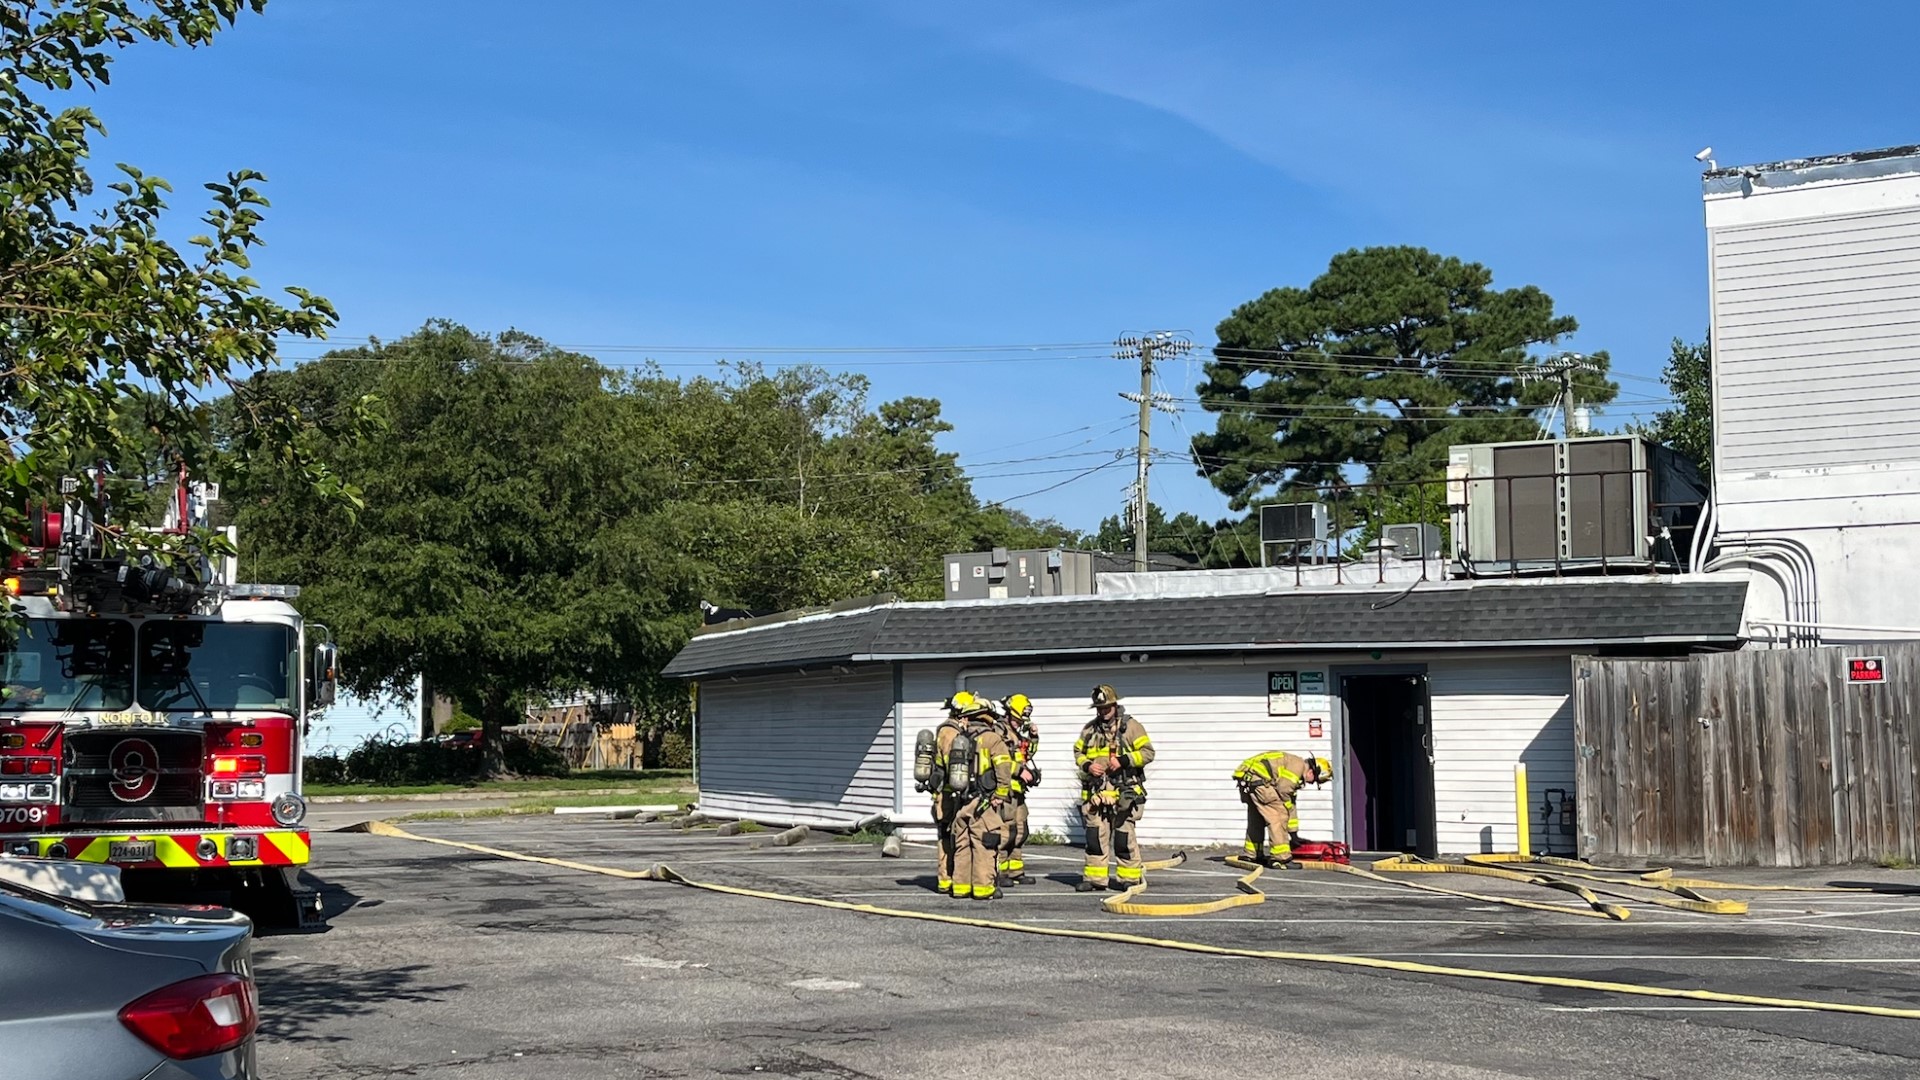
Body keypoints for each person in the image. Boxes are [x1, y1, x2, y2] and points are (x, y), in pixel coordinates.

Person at [1074, 684, 1154, 892]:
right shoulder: (1089, 729)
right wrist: (1088, 766)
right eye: (1099, 708)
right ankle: (1095, 879)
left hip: (1124, 793)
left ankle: (1129, 879)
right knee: (1095, 837)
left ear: (1115, 705)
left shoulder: (1132, 727)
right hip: (1097, 794)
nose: (1103, 712)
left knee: (1123, 838)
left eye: (1106, 708)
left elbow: (1148, 753)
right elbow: (1078, 753)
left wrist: (1124, 760)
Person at [937, 695, 1014, 901]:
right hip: (984, 802)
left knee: (962, 844)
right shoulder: (992, 739)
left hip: (962, 801)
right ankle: (983, 888)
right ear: (987, 716)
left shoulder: (960, 739)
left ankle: (960, 887)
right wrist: (1001, 794)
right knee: (985, 844)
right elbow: (1003, 768)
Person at [1233, 751, 1331, 866]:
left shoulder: (1294, 764)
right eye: (1314, 780)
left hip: (1249, 780)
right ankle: (1281, 858)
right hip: (1259, 781)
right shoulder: (1297, 768)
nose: (1311, 783)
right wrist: (1287, 815)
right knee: (1278, 816)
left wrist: (1294, 835)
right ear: (1311, 772)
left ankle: (1252, 855)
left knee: (1257, 819)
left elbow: (1290, 802)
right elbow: (1284, 792)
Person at [996, 693, 1039, 886]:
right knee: (1006, 832)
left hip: (1018, 791)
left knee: (1021, 831)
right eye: (1017, 720)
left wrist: (1033, 737)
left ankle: (1015, 871)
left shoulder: (1016, 733)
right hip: (1005, 791)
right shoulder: (999, 732)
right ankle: (999, 872)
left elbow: (1026, 754)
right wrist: (1020, 771)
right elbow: (1000, 761)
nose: (1020, 723)